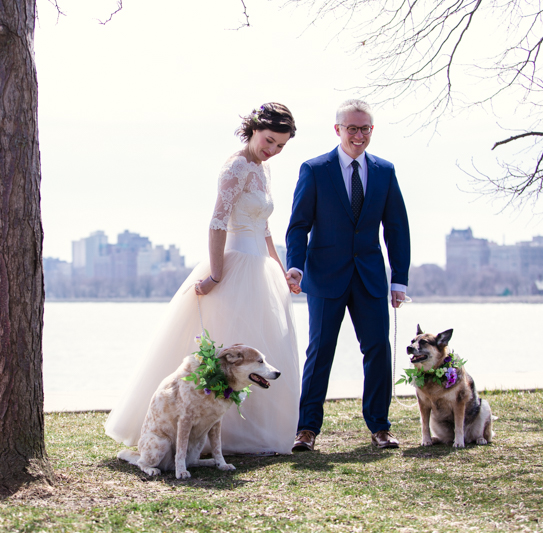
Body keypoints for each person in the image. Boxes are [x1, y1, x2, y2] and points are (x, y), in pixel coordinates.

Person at [105, 103, 302, 455]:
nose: (272, 151)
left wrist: (280, 266)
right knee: (226, 348)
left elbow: (266, 227)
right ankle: (203, 429)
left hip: (263, 269)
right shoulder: (237, 166)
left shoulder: (262, 168)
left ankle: (252, 431)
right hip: (235, 264)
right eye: (269, 141)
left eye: (280, 146)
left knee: (261, 348)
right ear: (254, 129)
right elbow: (217, 222)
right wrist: (216, 274)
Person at [285, 99, 411, 452]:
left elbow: (397, 228)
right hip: (325, 275)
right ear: (337, 129)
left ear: (372, 130)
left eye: (365, 128)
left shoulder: (385, 171)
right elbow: (298, 226)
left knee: (378, 351)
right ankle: (306, 429)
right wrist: (295, 266)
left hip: (369, 276)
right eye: (352, 128)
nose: (358, 135)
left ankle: (380, 427)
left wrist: (398, 279)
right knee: (320, 351)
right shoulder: (314, 169)